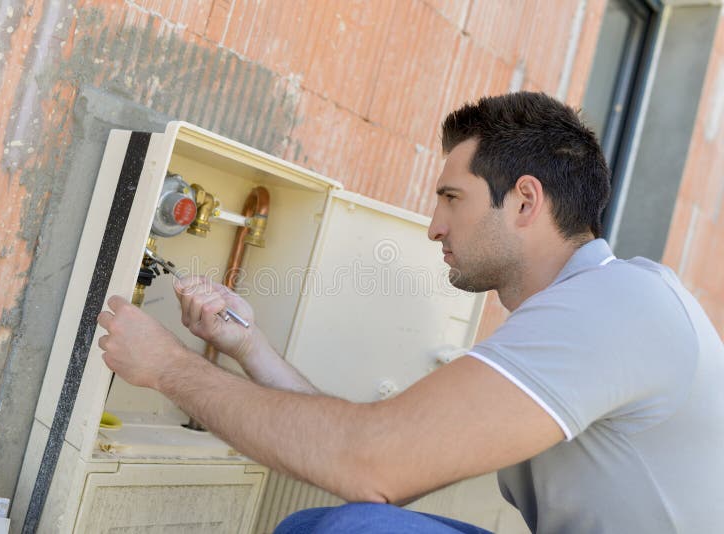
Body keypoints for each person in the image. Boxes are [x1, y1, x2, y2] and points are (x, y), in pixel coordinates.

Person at [96, 92, 724, 533]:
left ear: (526, 201)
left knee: (358, 532)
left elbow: (373, 465)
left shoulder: (617, 308)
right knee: (332, 525)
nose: (433, 226)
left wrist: (170, 368)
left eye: (452, 198)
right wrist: (246, 345)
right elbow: (392, 468)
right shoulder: (581, 311)